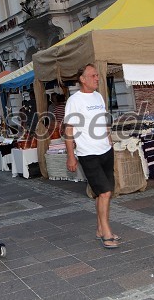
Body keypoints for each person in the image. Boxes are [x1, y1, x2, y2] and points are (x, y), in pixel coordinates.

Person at [64, 63, 120, 249]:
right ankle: (106, 231)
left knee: (102, 194)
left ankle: (99, 228)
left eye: (97, 75)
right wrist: (71, 156)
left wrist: (109, 139)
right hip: (88, 153)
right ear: (82, 79)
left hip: (105, 150)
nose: (97, 78)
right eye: (93, 75)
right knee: (104, 192)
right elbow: (69, 129)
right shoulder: (75, 100)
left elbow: (103, 121)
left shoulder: (98, 96)